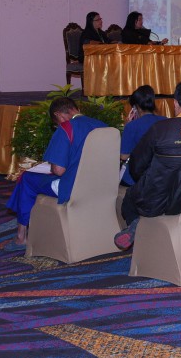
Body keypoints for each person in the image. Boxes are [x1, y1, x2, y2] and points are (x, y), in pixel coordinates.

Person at [115, 81, 181, 249]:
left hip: (159, 202)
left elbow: (136, 167)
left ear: (175, 104)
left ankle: (139, 228)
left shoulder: (160, 129)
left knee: (130, 197)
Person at [6, 97, 108, 250]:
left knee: (26, 178)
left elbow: (59, 170)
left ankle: (21, 237)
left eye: (56, 123)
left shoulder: (66, 128)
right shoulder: (103, 126)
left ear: (58, 115)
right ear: (76, 108)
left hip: (73, 188)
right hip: (102, 184)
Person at [119, 85, 166, 185]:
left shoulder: (131, 126)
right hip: (160, 176)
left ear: (136, 107)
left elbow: (124, 156)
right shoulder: (165, 121)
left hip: (134, 179)